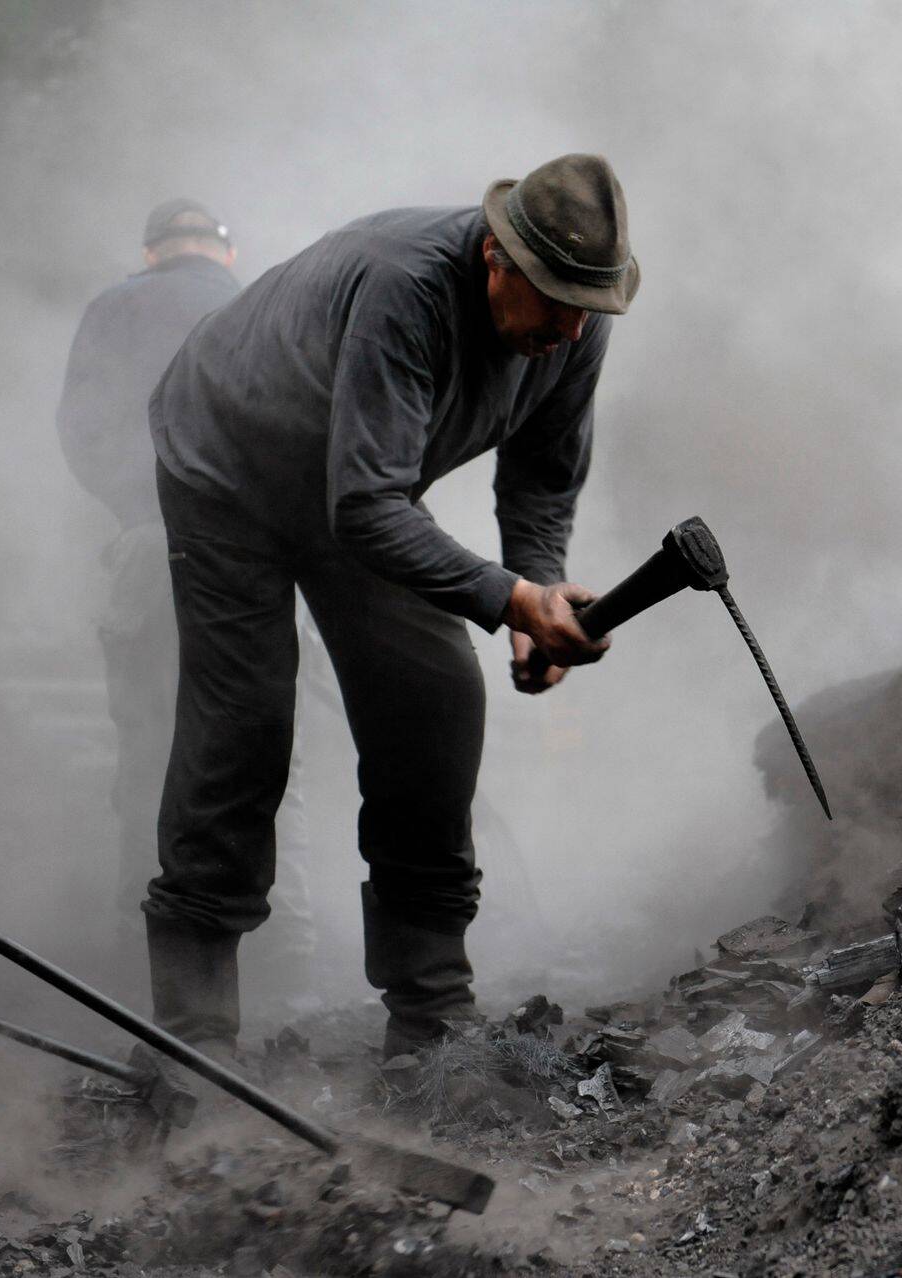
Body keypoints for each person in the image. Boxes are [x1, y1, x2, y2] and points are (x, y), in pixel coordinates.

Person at [144, 154, 635, 1059]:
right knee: (244, 729)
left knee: (437, 701)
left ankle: (431, 1016)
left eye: (587, 307)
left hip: (356, 488)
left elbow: (541, 472)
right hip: (227, 467)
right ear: (495, 258)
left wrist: (540, 576)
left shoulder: (574, 323)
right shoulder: (407, 287)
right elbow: (365, 510)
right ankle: (191, 1033)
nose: (568, 328)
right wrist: (510, 598)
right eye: (553, 299)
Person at [55, 199, 317, 991]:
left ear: (150, 253)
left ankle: (142, 947)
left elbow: (81, 428)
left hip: (151, 546)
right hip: (255, 554)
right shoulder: (258, 299)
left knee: (148, 746)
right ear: (224, 253)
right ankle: (282, 945)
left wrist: (138, 507)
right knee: (266, 748)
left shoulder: (113, 306)